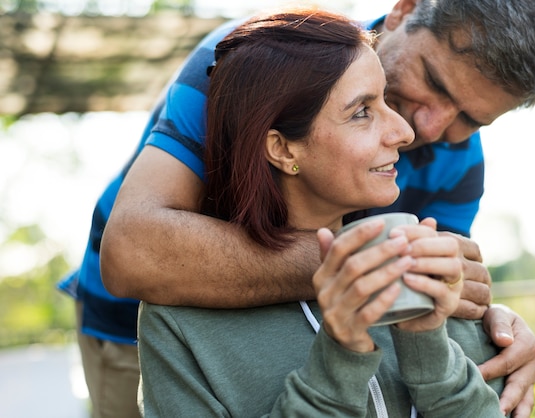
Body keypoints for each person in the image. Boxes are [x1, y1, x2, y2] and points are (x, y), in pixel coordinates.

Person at [57, 0, 535, 416]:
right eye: (434, 83)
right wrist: (368, 268)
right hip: (139, 326)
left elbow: (441, 292)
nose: (429, 129)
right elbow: (134, 254)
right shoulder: (248, 58)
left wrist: (496, 327)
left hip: (330, 339)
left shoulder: (457, 161)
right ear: (403, 11)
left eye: (470, 118)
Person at [138, 9, 503, 416]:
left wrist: (433, 348)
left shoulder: (424, 281)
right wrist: (341, 355)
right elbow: (129, 250)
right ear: (282, 148)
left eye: (387, 99)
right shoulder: (177, 325)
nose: (408, 132)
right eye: (362, 111)